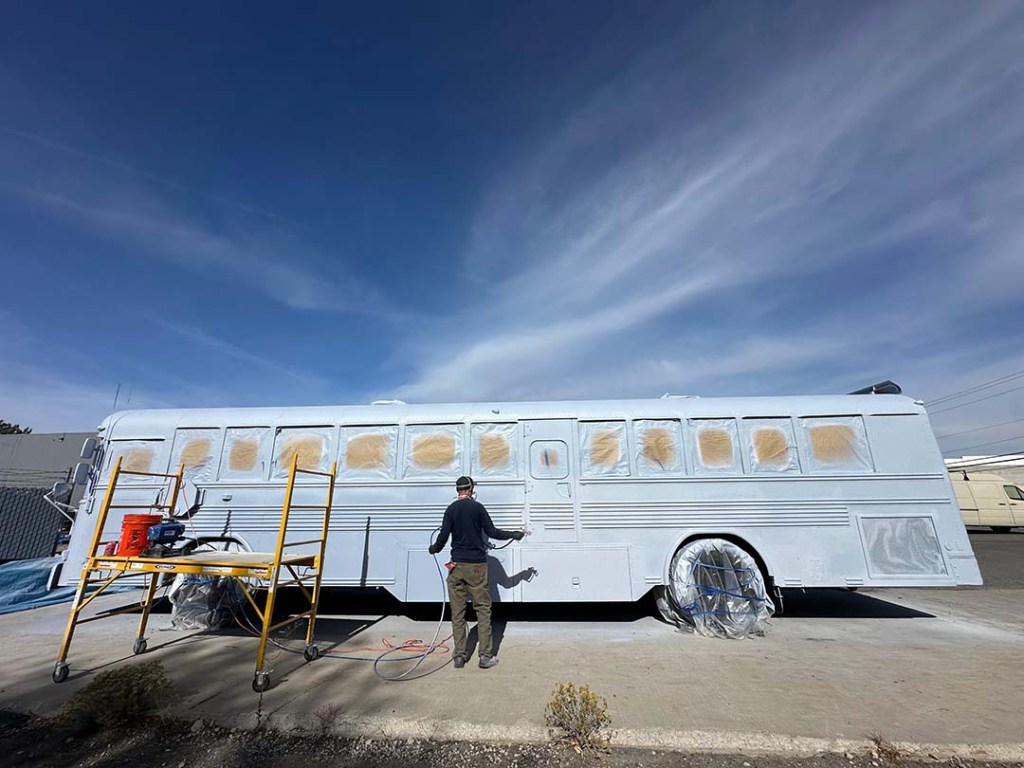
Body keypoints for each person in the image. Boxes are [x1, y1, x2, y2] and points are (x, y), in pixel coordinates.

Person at [428, 476, 524, 669]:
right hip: (477, 567)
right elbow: (493, 532)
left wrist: (434, 549)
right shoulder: (477, 508)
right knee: (482, 610)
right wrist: (514, 534)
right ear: (470, 489)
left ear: (458, 490)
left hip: (456, 566)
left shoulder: (451, 509)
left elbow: (443, 537)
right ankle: (485, 656)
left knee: (458, 612)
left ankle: (459, 657)